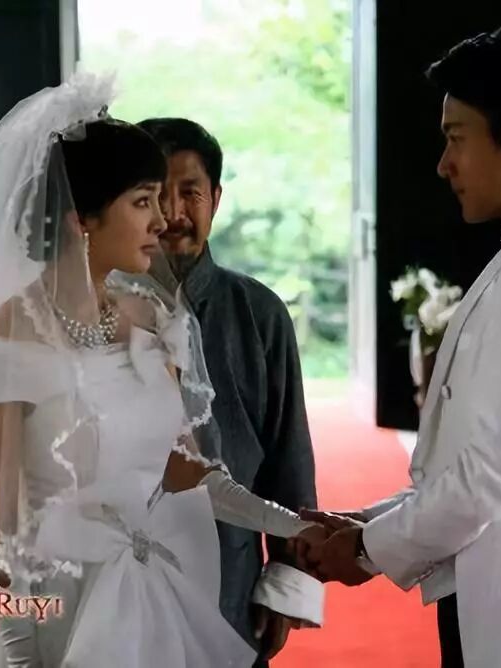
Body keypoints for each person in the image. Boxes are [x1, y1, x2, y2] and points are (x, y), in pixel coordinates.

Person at [0, 73, 326, 668]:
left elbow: (188, 472)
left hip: (149, 598)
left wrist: (295, 526)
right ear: (81, 218)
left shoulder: (151, 319)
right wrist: (20, 646)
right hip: (56, 610)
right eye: (143, 201)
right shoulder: (11, 330)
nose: (161, 220)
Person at [297, 26, 501, 668]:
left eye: (456, 138)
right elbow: (482, 458)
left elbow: (492, 478)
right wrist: (371, 521)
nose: (443, 164)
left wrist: (366, 549)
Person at [137, 117, 322, 664]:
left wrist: (285, 579)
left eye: (190, 192)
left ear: (215, 199)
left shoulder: (259, 313)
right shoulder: (98, 314)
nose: (173, 212)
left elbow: (289, 458)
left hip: (230, 578)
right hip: (125, 578)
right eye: (155, 195)